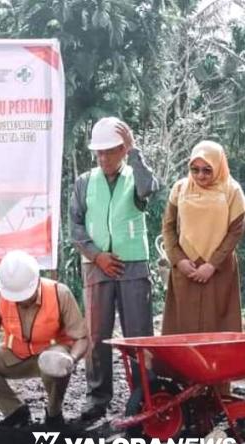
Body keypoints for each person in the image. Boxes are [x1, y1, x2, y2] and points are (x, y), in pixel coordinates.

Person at [70, 117, 159, 421]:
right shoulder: (84, 182)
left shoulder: (136, 176)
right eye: (99, 153)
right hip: (96, 267)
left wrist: (136, 154)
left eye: (110, 151)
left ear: (123, 150)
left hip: (133, 264)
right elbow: (75, 227)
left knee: (139, 334)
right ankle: (97, 397)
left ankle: (145, 393)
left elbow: (150, 189)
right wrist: (97, 256)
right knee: (97, 334)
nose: (104, 158)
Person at [0, 250, 88, 428]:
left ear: (37, 281)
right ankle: (15, 412)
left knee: (54, 361)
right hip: (15, 354)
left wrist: (71, 359)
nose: (20, 301)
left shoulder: (59, 293)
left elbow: (82, 338)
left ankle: (54, 413)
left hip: (51, 354)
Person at [162, 141, 244, 337]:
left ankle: (219, 368)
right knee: (183, 326)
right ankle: (179, 368)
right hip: (186, 268)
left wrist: (212, 264)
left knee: (218, 327)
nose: (200, 175)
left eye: (207, 170)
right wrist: (178, 260)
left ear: (218, 166)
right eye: (195, 169)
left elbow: (235, 231)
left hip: (218, 269)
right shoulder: (180, 188)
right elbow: (168, 226)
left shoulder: (232, 191)